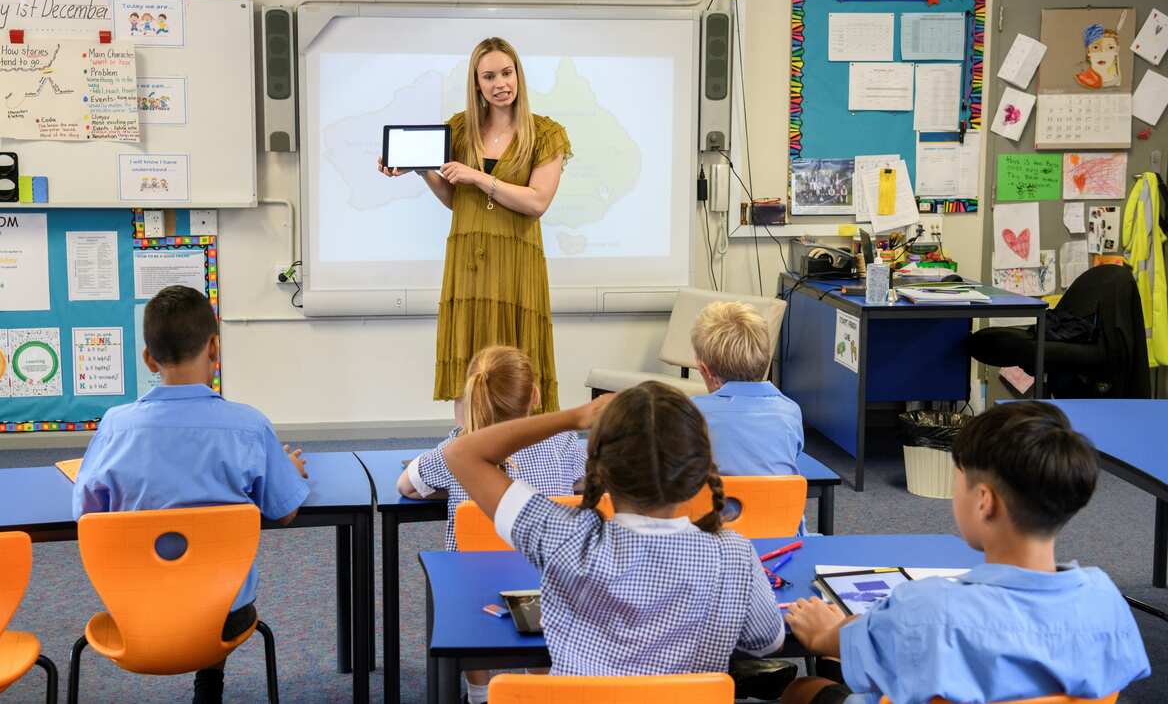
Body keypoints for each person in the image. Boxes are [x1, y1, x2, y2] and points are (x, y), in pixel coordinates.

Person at [781, 401, 1150, 704]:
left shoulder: (926, 610)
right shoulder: (1107, 601)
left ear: (984, 501)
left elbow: (837, 641)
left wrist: (826, 632)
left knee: (803, 689)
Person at [443, 381, 785, 677]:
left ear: (600, 469)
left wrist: (573, 417)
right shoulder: (734, 555)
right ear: (698, 470)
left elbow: (462, 453)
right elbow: (766, 641)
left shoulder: (563, 537)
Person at [72, 286, 310, 704]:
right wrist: (286, 471)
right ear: (214, 347)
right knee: (210, 572)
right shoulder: (249, 426)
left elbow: (88, 514)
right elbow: (285, 511)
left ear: (148, 357)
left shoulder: (114, 426)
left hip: (135, 612)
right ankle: (210, 680)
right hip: (223, 618)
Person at [379, 37, 570, 411]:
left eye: (507, 73)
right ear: (477, 84)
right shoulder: (460, 129)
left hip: (517, 263)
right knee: (468, 361)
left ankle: (523, 456)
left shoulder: (545, 133)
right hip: (469, 263)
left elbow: (537, 202)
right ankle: (466, 449)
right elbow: (458, 201)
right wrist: (421, 169)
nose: (500, 83)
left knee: (517, 363)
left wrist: (480, 178)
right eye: (489, 76)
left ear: (518, 75)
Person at [397, 345, 585, 704]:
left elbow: (406, 485)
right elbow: (581, 481)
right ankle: (536, 688)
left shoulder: (458, 448)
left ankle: (478, 693)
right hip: (549, 590)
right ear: (535, 396)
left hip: (473, 595)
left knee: (460, 579)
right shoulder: (560, 440)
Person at [690, 301, 803, 476]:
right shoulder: (789, 411)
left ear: (705, 370)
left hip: (712, 503)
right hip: (777, 503)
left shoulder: (690, 415)